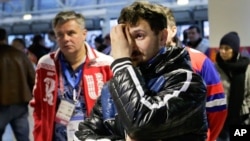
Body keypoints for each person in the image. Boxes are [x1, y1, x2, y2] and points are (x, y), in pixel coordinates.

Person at [75, 1, 208, 141]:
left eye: (139, 36)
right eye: (125, 38)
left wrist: (121, 62)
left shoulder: (188, 82)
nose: (130, 45)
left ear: (162, 37)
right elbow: (82, 136)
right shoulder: (113, 87)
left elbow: (141, 125)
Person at [29, 11, 114, 141]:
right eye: (60, 35)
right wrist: (39, 135)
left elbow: (116, 108)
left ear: (84, 34)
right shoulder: (46, 64)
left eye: (71, 33)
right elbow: (38, 105)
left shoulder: (105, 63)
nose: (65, 39)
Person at [161, 6, 227, 141]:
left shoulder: (198, 59)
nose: (157, 34)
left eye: (162, 28)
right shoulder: (140, 62)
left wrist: (207, 138)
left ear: (173, 31)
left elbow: (217, 107)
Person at [0, 28, 35, 141]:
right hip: (20, 104)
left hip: (1, 105)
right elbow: (33, 78)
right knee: (23, 137)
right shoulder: (19, 55)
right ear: (5, 38)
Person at [215, 31, 250, 141]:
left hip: (242, 118)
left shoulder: (246, 67)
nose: (222, 51)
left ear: (234, 50)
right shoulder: (215, 68)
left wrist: (246, 109)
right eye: (221, 48)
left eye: (227, 48)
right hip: (220, 118)